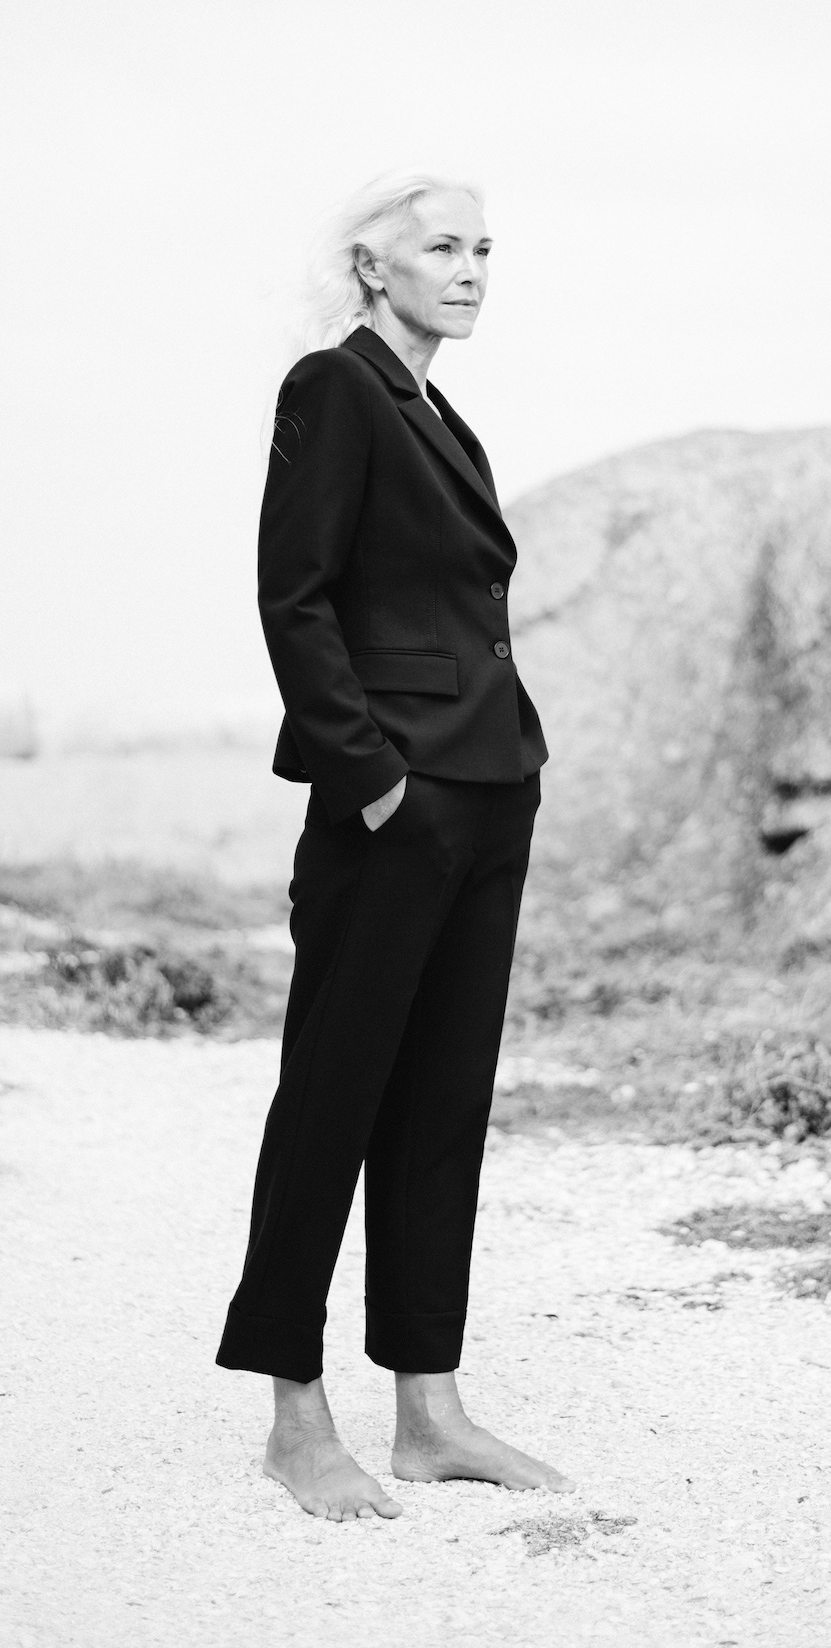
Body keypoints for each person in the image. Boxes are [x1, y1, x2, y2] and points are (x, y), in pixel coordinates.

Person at [217, 170, 573, 1520]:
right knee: (335, 1099)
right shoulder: (334, 388)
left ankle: (429, 1410)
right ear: (373, 267)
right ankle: (294, 1418)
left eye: (484, 246)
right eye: (442, 245)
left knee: (440, 1111)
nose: (473, 266)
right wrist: (369, 780)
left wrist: (502, 773)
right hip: (396, 803)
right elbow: (292, 595)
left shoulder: (440, 413)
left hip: (491, 792)